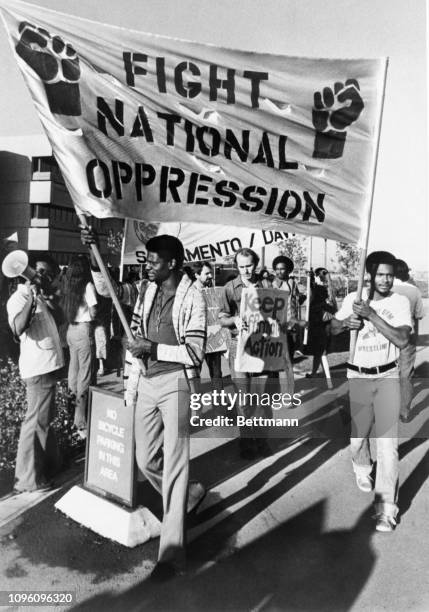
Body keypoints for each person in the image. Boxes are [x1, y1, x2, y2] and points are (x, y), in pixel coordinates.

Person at [82, 229, 207, 581]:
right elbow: (109, 289)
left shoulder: (194, 296)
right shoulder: (146, 288)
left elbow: (194, 351)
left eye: (154, 261)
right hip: (145, 382)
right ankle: (192, 494)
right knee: (145, 459)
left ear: (173, 263)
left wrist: (151, 348)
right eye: (147, 261)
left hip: (178, 383)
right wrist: (95, 256)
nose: (148, 266)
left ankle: (171, 554)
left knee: (175, 465)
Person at [331, 251, 412, 532]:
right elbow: (331, 328)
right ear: (370, 275)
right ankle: (362, 466)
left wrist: (371, 315)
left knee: (388, 447)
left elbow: (402, 339)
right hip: (358, 376)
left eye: (390, 274)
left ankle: (386, 510)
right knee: (357, 437)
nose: (386, 280)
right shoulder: (353, 298)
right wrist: (346, 323)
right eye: (380, 274)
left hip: (387, 375)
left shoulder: (400, 301)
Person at [6, 253, 64, 492]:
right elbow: (18, 329)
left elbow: (60, 318)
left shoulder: (41, 296)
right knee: (35, 423)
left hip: (48, 366)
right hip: (38, 368)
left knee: (44, 421)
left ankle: (48, 466)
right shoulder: (18, 298)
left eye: (47, 273)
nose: (44, 276)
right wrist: (31, 295)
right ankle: (29, 479)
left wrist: (47, 298)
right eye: (39, 271)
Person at [219, 248, 276, 460]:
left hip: (262, 347)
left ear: (257, 263)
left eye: (249, 265)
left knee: (262, 398)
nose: (246, 270)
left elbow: (278, 314)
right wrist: (233, 319)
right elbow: (221, 317)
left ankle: (261, 440)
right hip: (238, 348)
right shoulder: (229, 288)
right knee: (244, 398)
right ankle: (247, 441)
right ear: (236, 266)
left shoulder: (267, 286)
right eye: (241, 266)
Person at [62, 256, 97, 438]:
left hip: (71, 329)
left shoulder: (67, 286)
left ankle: (69, 415)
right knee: (85, 375)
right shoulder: (88, 286)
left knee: (73, 373)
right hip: (84, 329)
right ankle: (81, 423)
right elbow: (94, 311)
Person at [392, 259, 424, 422]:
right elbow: (418, 316)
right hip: (407, 335)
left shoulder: (385, 288)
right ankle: (404, 411)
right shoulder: (414, 290)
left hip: (385, 334)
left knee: (384, 372)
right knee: (405, 374)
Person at [193, 261, 223, 383]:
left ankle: (219, 400)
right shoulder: (190, 292)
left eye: (211, 273)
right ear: (197, 275)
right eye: (207, 273)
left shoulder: (211, 291)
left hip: (212, 338)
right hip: (195, 339)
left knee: (216, 373)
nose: (211, 276)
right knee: (194, 373)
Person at [271, 255, 305, 358]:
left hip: (292, 324)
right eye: (277, 269)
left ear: (288, 270)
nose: (279, 272)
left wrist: (305, 293)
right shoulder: (272, 284)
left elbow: (298, 300)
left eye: (282, 269)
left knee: (289, 356)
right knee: (276, 357)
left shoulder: (292, 282)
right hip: (277, 325)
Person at [305, 268, 337, 376]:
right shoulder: (315, 287)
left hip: (325, 323)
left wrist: (327, 277)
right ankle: (318, 373)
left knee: (321, 351)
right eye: (319, 274)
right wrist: (310, 278)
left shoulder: (329, 290)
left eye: (322, 274)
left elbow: (332, 305)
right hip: (316, 321)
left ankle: (320, 374)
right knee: (319, 351)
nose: (320, 276)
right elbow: (311, 291)